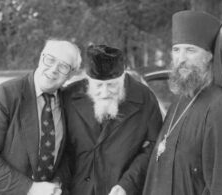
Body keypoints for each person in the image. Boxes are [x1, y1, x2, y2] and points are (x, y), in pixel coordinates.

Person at [143, 10, 222, 195]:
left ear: (209, 56)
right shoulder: (182, 96)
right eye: (176, 50)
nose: (181, 59)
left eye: (190, 50)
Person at [0, 39, 82, 195]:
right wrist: (30, 188)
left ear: (71, 74)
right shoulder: (4, 94)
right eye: (50, 59)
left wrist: (57, 182)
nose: (54, 69)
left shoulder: (67, 102)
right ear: (41, 58)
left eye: (63, 66)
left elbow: (65, 155)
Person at [60, 45, 162, 195]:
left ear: (123, 78)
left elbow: (153, 147)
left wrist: (128, 184)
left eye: (112, 85)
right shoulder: (69, 96)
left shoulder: (144, 98)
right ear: (88, 81)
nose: (105, 92)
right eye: (98, 85)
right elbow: (60, 150)